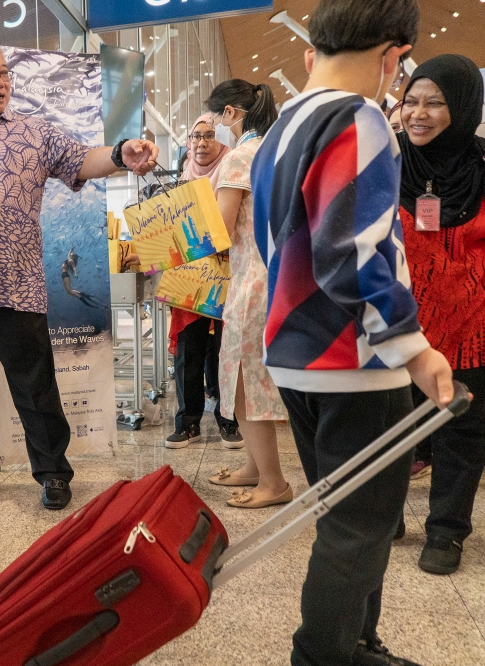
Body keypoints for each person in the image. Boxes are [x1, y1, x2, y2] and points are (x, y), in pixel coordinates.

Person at [252, 1, 454, 664]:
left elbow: (277, 242)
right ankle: (324, 655)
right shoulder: (360, 118)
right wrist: (413, 348)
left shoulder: (284, 124)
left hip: (293, 352)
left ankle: (355, 644)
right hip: (352, 359)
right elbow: (356, 253)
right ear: (393, 55)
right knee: (360, 525)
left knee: (346, 518)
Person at [0, 38, 159, 511]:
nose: (0, 81)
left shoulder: (33, 132)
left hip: (15, 283)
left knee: (34, 385)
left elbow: (82, 158)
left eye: (4, 72)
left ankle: (52, 473)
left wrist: (122, 151)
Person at [395, 54, 485, 575]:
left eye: (436, 102)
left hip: (472, 332)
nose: (418, 113)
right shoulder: (385, 164)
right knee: (393, 425)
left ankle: (447, 531)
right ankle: (387, 516)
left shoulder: (483, 166)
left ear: (465, 106)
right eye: (411, 101)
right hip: (400, 328)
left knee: (462, 432)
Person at [199, 81, 292, 510]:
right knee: (247, 375)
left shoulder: (239, 156)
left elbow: (218, 230)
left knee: (244, 379)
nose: (214, 127)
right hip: (275, 276)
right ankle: (255, 467)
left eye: (216, 118)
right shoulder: (276, 151)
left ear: (232, 114)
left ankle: (273, 481)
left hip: (251, 281)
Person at [164, 114, 242, 449]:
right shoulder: (182, 181)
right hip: (190, 275)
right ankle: (188, 422)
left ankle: (228, 419)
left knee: (226, 349)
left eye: (210, 135)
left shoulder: (233, 173)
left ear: (222, 140)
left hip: (227, 273)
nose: (201, 143)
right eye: (196, 136)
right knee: (188, 349)